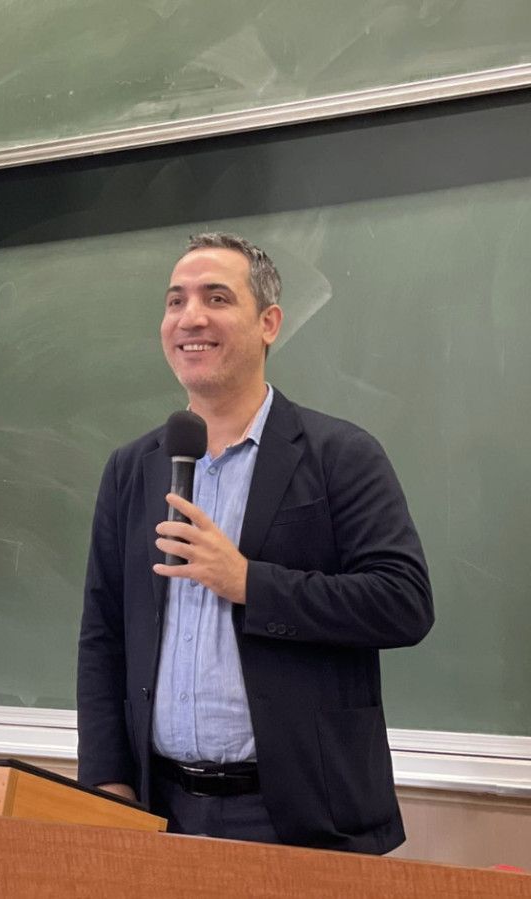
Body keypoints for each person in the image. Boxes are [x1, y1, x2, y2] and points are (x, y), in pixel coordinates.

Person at [76, 232, 433, 854]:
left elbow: (403, 602)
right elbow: (103, 634)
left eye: (216, 298)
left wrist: (249, 582)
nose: (191, 317)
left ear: (269, 323)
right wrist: (107, 781)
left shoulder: (339, 454)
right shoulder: (133, 468)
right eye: (176, 301)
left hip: (303, 816)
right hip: (160, 808)